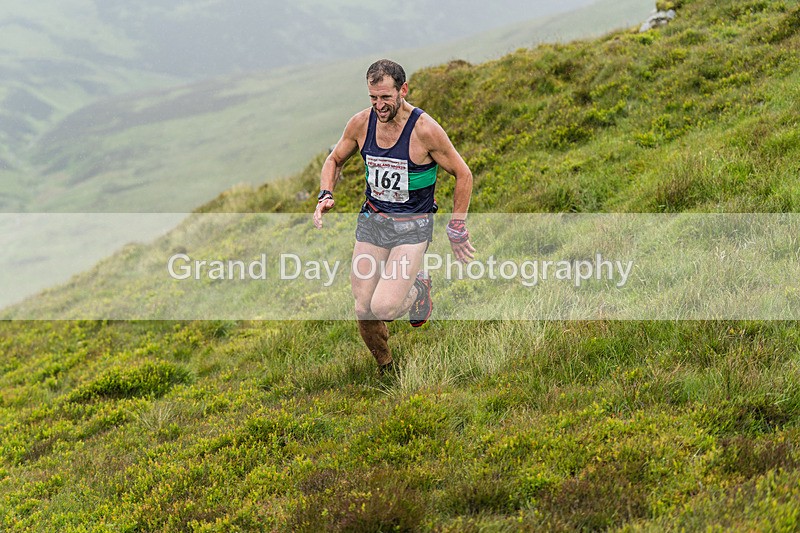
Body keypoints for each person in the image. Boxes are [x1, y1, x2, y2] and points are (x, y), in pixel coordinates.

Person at [313, 59, 475, 374]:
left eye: (386, 97)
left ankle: (418, 288)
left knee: (384, 307)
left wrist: (457, 227)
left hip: (412, 227)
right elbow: (334, 159)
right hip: (374, 221)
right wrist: (325, 194)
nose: (379, 105)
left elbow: (463, 173)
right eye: (373, 98)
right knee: (363, 309)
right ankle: (387, 368)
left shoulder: (425, 130)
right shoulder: (361, 124)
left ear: (403, 90)